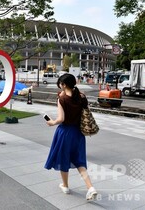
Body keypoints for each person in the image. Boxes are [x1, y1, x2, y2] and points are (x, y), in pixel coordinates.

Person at [44, 73, 98, 201]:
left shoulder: (62, 99)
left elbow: (61, 119)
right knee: (79, 161)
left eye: (60, 84)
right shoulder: (82, 97)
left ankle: (65, 186)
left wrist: (51, 122)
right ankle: (90, 188)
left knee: (64, 158)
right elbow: (84, 113)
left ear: (63, 85)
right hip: (78, 133)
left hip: (65, 132)